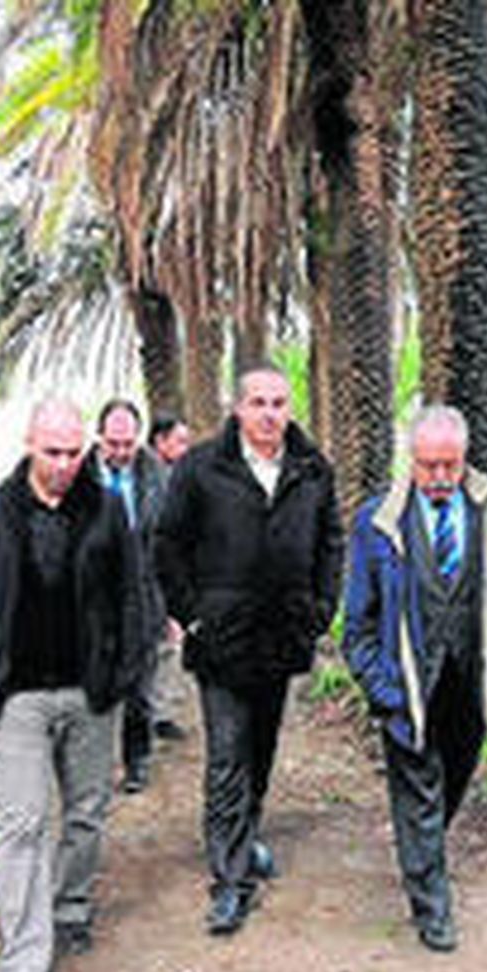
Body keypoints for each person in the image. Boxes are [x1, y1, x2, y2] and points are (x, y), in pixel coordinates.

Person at [0, 399, 143, 972]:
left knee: (85, 811)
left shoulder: (107, 509)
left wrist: (124, 678)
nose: (62, 464)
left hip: (89, 693)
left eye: (72, 452)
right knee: (22, 825)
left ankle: (72, 905)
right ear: (29, 443)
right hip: (18, 697)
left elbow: (131, 595)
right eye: (51, 451)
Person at [155, 367, 343, 935]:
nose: (268, 413)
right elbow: (167, 543)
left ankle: (245, 835)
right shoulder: (201, 467)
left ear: (290, 409)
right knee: (227, 758)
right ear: (237, 408)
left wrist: (319, 611)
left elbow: (330, 542)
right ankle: (230, 880)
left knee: (259, 753)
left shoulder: (312, 469)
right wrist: (192, 614)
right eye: (257, 402)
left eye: (278, 403)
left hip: (282, 637)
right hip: (222, 641)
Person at [341, 405, 487, 952]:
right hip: (406, 690)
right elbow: (357, 621)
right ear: (412, 462)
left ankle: (421, 847)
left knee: (452, 782)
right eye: (430, 467)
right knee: (418, 788)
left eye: (451, 465)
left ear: (464, 458)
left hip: (471, 686)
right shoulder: (377, 523)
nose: (442, 478)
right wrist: (382, 689)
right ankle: (432, 906)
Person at [91, 399, 167, 793]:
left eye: (127, 443)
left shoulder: (156, 474)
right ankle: (93, 766)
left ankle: (137, 761)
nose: (120, 452)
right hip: (91, 603)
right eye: (113, 443)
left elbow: (172, 543)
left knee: (139, 690)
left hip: (143, 598)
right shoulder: (77, 474)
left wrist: (174, 608)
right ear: (99, 437)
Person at [146, 410, 192, 742]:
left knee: (165, 645)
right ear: (160, 441)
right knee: (159, 644)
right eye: (180, 441)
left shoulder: (171, 475)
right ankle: (152, 715)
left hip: (163, 577)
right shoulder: (152, 477)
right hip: (150, 576)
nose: (185, 448)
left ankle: (157, 714)